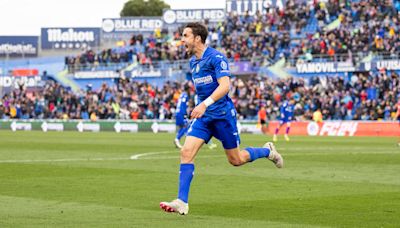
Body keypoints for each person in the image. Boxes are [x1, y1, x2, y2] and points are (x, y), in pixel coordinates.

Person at [160, 22, 283, 215]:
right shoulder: (193, 62)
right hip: (204, 118)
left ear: (197, 38)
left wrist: (204, 104)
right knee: (186, 152)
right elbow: (202, 89)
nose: (181, 40)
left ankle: (267, 151)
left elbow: (225, 86)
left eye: (185, 36)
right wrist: (199, 105)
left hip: (222, 116)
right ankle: (182, 201)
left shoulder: (216, 58)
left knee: (236, 159)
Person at [174, 84, 191, 149]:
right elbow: (184, 106)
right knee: (186, 126)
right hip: (181, 113)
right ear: (188, 89)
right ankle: (177, 139)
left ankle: (177, 140)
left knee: (182, 127)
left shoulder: (181, 94)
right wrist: (185, 114)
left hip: (177, 112)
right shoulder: (186, 96)